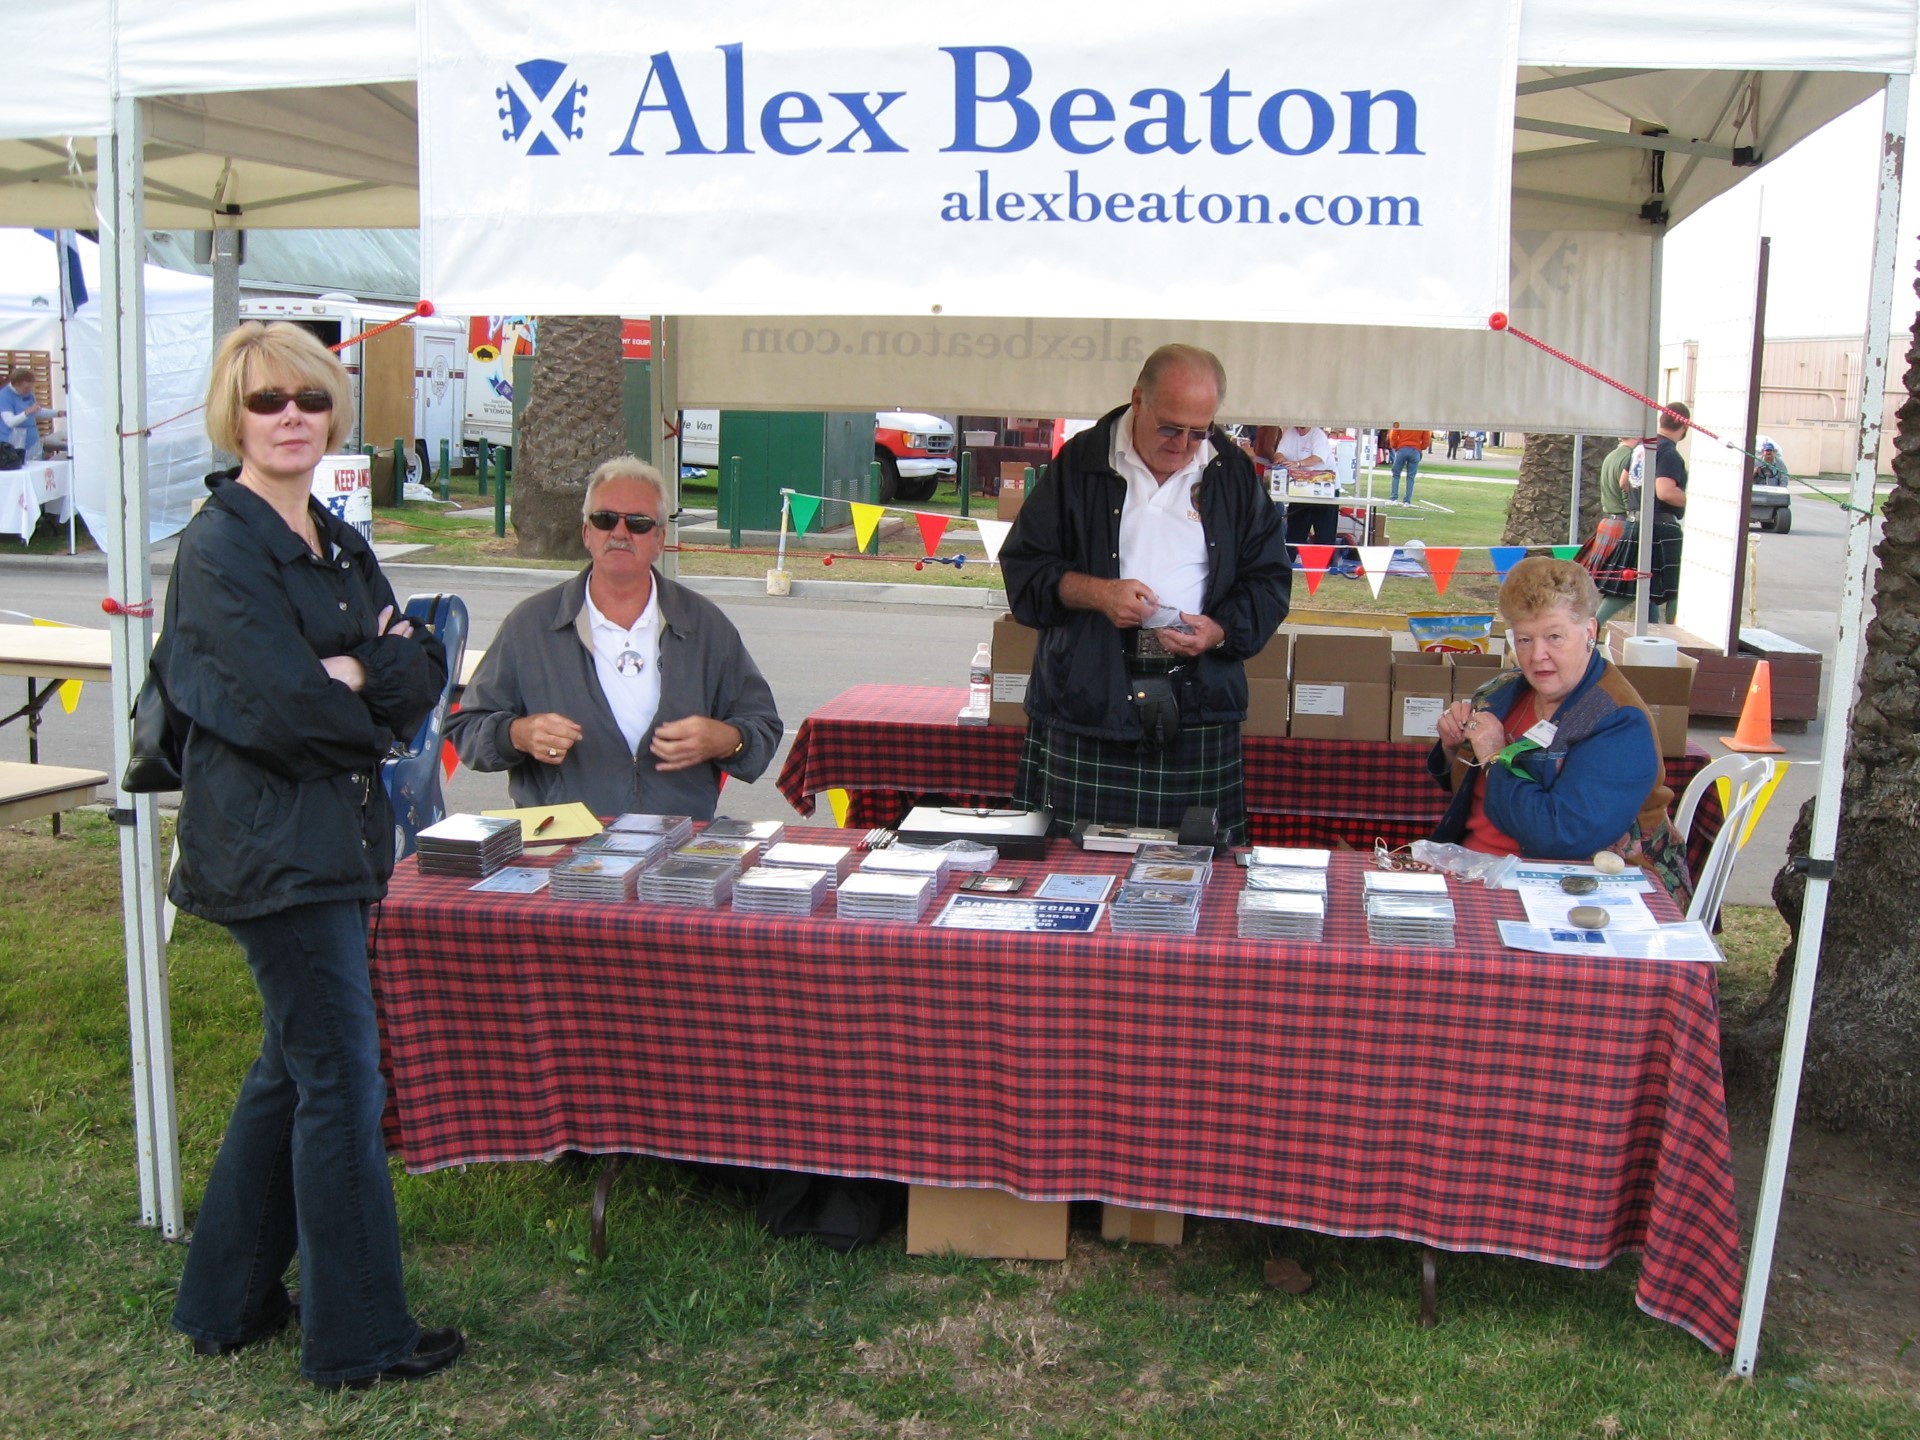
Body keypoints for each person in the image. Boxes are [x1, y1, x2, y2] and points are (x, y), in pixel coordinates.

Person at [160, 322, 464, 1390]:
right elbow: (282, 710)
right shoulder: (221, 546)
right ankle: (359, 1339)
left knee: (295, 1069)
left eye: (309, 398)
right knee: (340, 1075)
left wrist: (367, 672)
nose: (289, 416)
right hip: (270, 851)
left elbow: (423, 658)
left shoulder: (333, 536)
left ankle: (227, 1299)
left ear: (334, 410)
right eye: (264, 401)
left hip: (337, 839)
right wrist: (356, 681)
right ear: (231, 416)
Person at [1000, 343, 1291, 844]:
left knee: (1197, 867)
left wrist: (1220, 631)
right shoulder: (1082, 464)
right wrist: (1096, 593)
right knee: (1077, 861)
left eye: (1199, 431)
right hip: (1090, 692)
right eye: (1170, 427)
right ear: (1138, 399)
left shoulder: (1232, 472)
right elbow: (1025, 570)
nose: (1184, 444)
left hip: (1197, 693)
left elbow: (1269, 580)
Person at [448, 456, 781, 819]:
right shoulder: (530, 625)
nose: (620, 534)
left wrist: (728, 740)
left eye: (638, 523)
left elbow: (762, 726)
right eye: (605, 519)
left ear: (659, 539)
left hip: (678, 847)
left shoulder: (705, 626)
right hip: (563, 847)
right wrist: (516, 733)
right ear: (587, 533)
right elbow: (467, 729)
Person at [1428, 557, 1690, 904]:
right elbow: (1468, 788)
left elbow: (1560, 836)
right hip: (1479, 872)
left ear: (1590, 633)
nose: (1538, 655)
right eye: (1524, 639)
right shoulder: (1502, 691)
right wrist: (1452, 748)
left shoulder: (1618, 721)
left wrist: (1493, 754)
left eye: (1554, 636)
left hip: (1584, 888)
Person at [1595, 403, 1689, 626]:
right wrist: (1693, 501)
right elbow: (1665, 492)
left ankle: (1599, 626)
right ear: (1684, 425)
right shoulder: (1669, 453)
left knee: (1639, 586)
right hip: (1661, 526)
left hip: (1635, 522)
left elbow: (1624, 482)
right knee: (1675, 587)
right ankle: (1676, 637)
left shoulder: (1642, 447)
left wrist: (1640, 499)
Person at [1576, 436, 1635, 583]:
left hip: (1609, 522)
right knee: (1618, 585)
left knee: (1603, 583)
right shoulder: (1630, 457)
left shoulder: (1611, 455)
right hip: (1623, 525)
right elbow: (1626, 490)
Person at [1, 367, 62, 460]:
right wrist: (27, 412)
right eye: (26, 387)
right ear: (17, 384)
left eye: (30, 387)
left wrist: (56, 413)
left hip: (32, 440)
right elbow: (10, 422)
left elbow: (36, 411)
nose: (29, 390)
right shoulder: (4, 396)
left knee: (37, 467)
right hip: (14, 442)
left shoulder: (28, 394)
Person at [1385, 422, 1433, 504]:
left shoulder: (1402, 421)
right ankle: (1407, 501)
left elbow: (1393, 435)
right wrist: (1421, 447)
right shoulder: (1422, 423)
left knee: (1396, 474)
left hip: (1402, 449)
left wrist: (1395, 446)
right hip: (1415, 450)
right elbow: (1427, 438)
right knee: (1411, 477)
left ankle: (1393, 498)